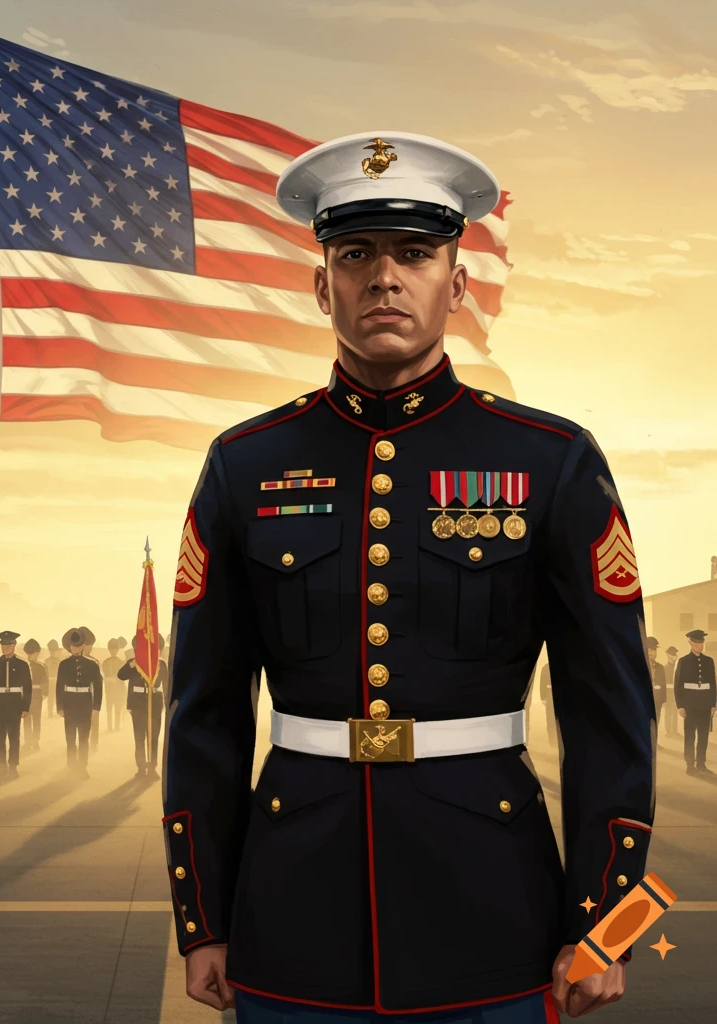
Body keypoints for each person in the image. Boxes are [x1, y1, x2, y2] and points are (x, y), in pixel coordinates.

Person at [161, 132, 655, 1023]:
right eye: (355, 255)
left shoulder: (550, 460)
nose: (384, 277)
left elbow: (610, 709)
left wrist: (609, 923)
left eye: (416, 254)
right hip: (291, 905)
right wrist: (202, 918)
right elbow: (205, 712)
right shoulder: (245, 463)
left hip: (497, 909)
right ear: (322, 285)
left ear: (455, 285)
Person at [56, 628, 102, 778]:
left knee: (83, 739)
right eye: (73, 646)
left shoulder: (92, 665)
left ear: (83, 646)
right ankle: (71, 766)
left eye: (78, 645)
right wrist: (59, 706)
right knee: (70, 739)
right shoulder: (63, 664)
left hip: (85, 705)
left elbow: (98, 688)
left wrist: (96, 707)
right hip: (69, 705)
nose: (75, 648)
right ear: (69, 647)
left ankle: (82, 767)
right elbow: (59, 686)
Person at [119, 636, 166, 778]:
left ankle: (152, 768)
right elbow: (121, 675)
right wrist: (132, 664)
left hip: (155, 704)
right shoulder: (134, 663)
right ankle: (141, 768)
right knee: (139, 738)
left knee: (153, 737)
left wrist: (168, 703)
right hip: (138, 705)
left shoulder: (161, 664)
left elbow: (167, 683)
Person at [0, 630, 31, 778]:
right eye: (3, 644)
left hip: (14, 705)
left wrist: (25, 706)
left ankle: (13, 766)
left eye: (9, 644)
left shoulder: (22, 664)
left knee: (14, 737)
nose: (5, 647)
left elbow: (27, 687)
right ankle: (1, 766)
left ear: (14, 645)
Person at [674, 629, 716, 775]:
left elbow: (712, 685)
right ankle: (690, 765)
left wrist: (713, 704)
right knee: (690, 736)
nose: (700, 645)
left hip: (705, 706)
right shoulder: (683, 661)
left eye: (702, 642)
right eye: (697, 642)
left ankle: (701, 764)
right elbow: (678, 684)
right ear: (690, 642)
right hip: (690, 706)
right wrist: (680, 705)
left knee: (703, 736)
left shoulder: (709, 661)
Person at [79, 627, 101, 755]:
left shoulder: (94, 661)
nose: (90, 648)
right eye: (89, 646)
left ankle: (93, 744)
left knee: (94, 721)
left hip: (91, 697)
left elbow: (98, 683)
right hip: (78, 698)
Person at [24, 639, 47, 752]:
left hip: (37, 695)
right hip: (26, 695)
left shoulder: (41, 666)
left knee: (36, 720)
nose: (30, 656)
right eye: (28, 654)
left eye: (32, 654)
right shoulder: (23, 666)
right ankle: (28, 741)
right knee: (26, 719)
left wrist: (45, 694)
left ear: (37, 653)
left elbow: (45, 681)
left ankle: (36, 741)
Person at [645, 637, 666, 744]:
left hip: (657, 701)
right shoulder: (641, 666)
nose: (653, 653)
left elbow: (663, 685)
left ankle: (654, 742)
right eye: (651, 650)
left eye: (655, 650)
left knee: (656, 722)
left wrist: (662, 700)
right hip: (644, 701)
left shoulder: (660, 667)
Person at [102, 638, 126, 732]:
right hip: (109, 688)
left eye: (115, 649)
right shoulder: (105, 662)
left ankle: (116, 726)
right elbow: (104, 674)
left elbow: (122, 677)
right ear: (109, 649)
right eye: (112, 649)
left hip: (118, 688)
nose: (113, 651)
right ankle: (109, 727)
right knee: (109, 707)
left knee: (117, 708)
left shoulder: (121, 662)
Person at [664, 645, 680, 739]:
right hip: (669, 694)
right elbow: (666, 683)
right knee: (669, 713)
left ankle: (674, 731)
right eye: (673, 654)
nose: (674, 656)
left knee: (675, 713)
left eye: (675, 654)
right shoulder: (666, 668)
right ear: (668, 655)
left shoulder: (676, 667)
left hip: (675, 694)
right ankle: (668, 732)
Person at [539, 661, 556, 749]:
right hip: (549, 696)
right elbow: (542, 684)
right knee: (550, 720)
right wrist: (543, 698)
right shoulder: (546, 667)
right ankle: (552, 741)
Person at [44, 639, 62, 719]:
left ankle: (57, 712)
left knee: (57, 698)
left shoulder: (59, 661)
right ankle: (50, 713)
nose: (52, 652)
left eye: (53, 651)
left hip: (57, 681)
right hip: (50, 682)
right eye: (51, 651)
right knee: (51, 698)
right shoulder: (47, 661)